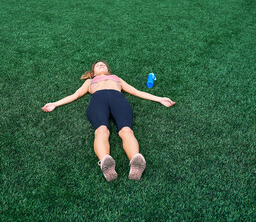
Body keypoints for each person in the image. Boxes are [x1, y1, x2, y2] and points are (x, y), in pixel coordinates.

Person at [42, 61, 175, 182]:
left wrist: (159, 99)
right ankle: (105, 161)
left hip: (118, 100)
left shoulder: (117, 79)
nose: (101, 65)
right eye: (97, 65)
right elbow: (75, 95)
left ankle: (135, 160)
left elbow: (135, 91)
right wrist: (55, 103)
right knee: (101, 130)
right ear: (93, 72)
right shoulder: (90, 82)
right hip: (98, 101)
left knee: (126, 130)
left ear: (108, 70)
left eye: (103, 64)